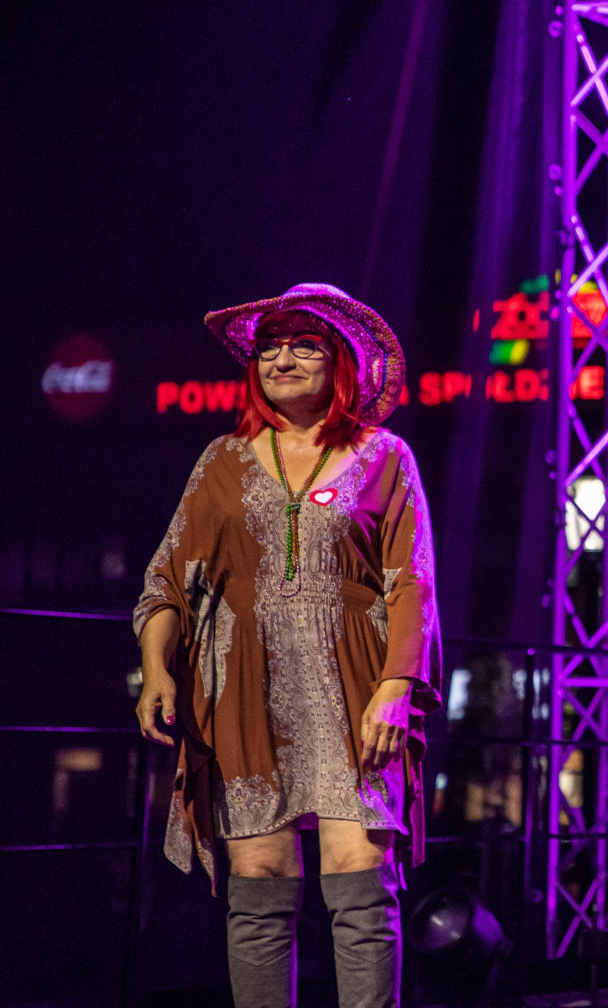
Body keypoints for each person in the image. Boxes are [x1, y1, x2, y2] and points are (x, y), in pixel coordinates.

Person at [134, 284, 441, 1008]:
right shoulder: (223, 459)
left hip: (357, 692)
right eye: (269, 347)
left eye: (304, 345)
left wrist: (397, 688)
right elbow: (168, 578)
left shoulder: (385, 456)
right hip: (245, 693)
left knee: (361, 885)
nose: (282, 358)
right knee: (259, 888)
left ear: (342, 363)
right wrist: (156, 668)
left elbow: (412, 582)